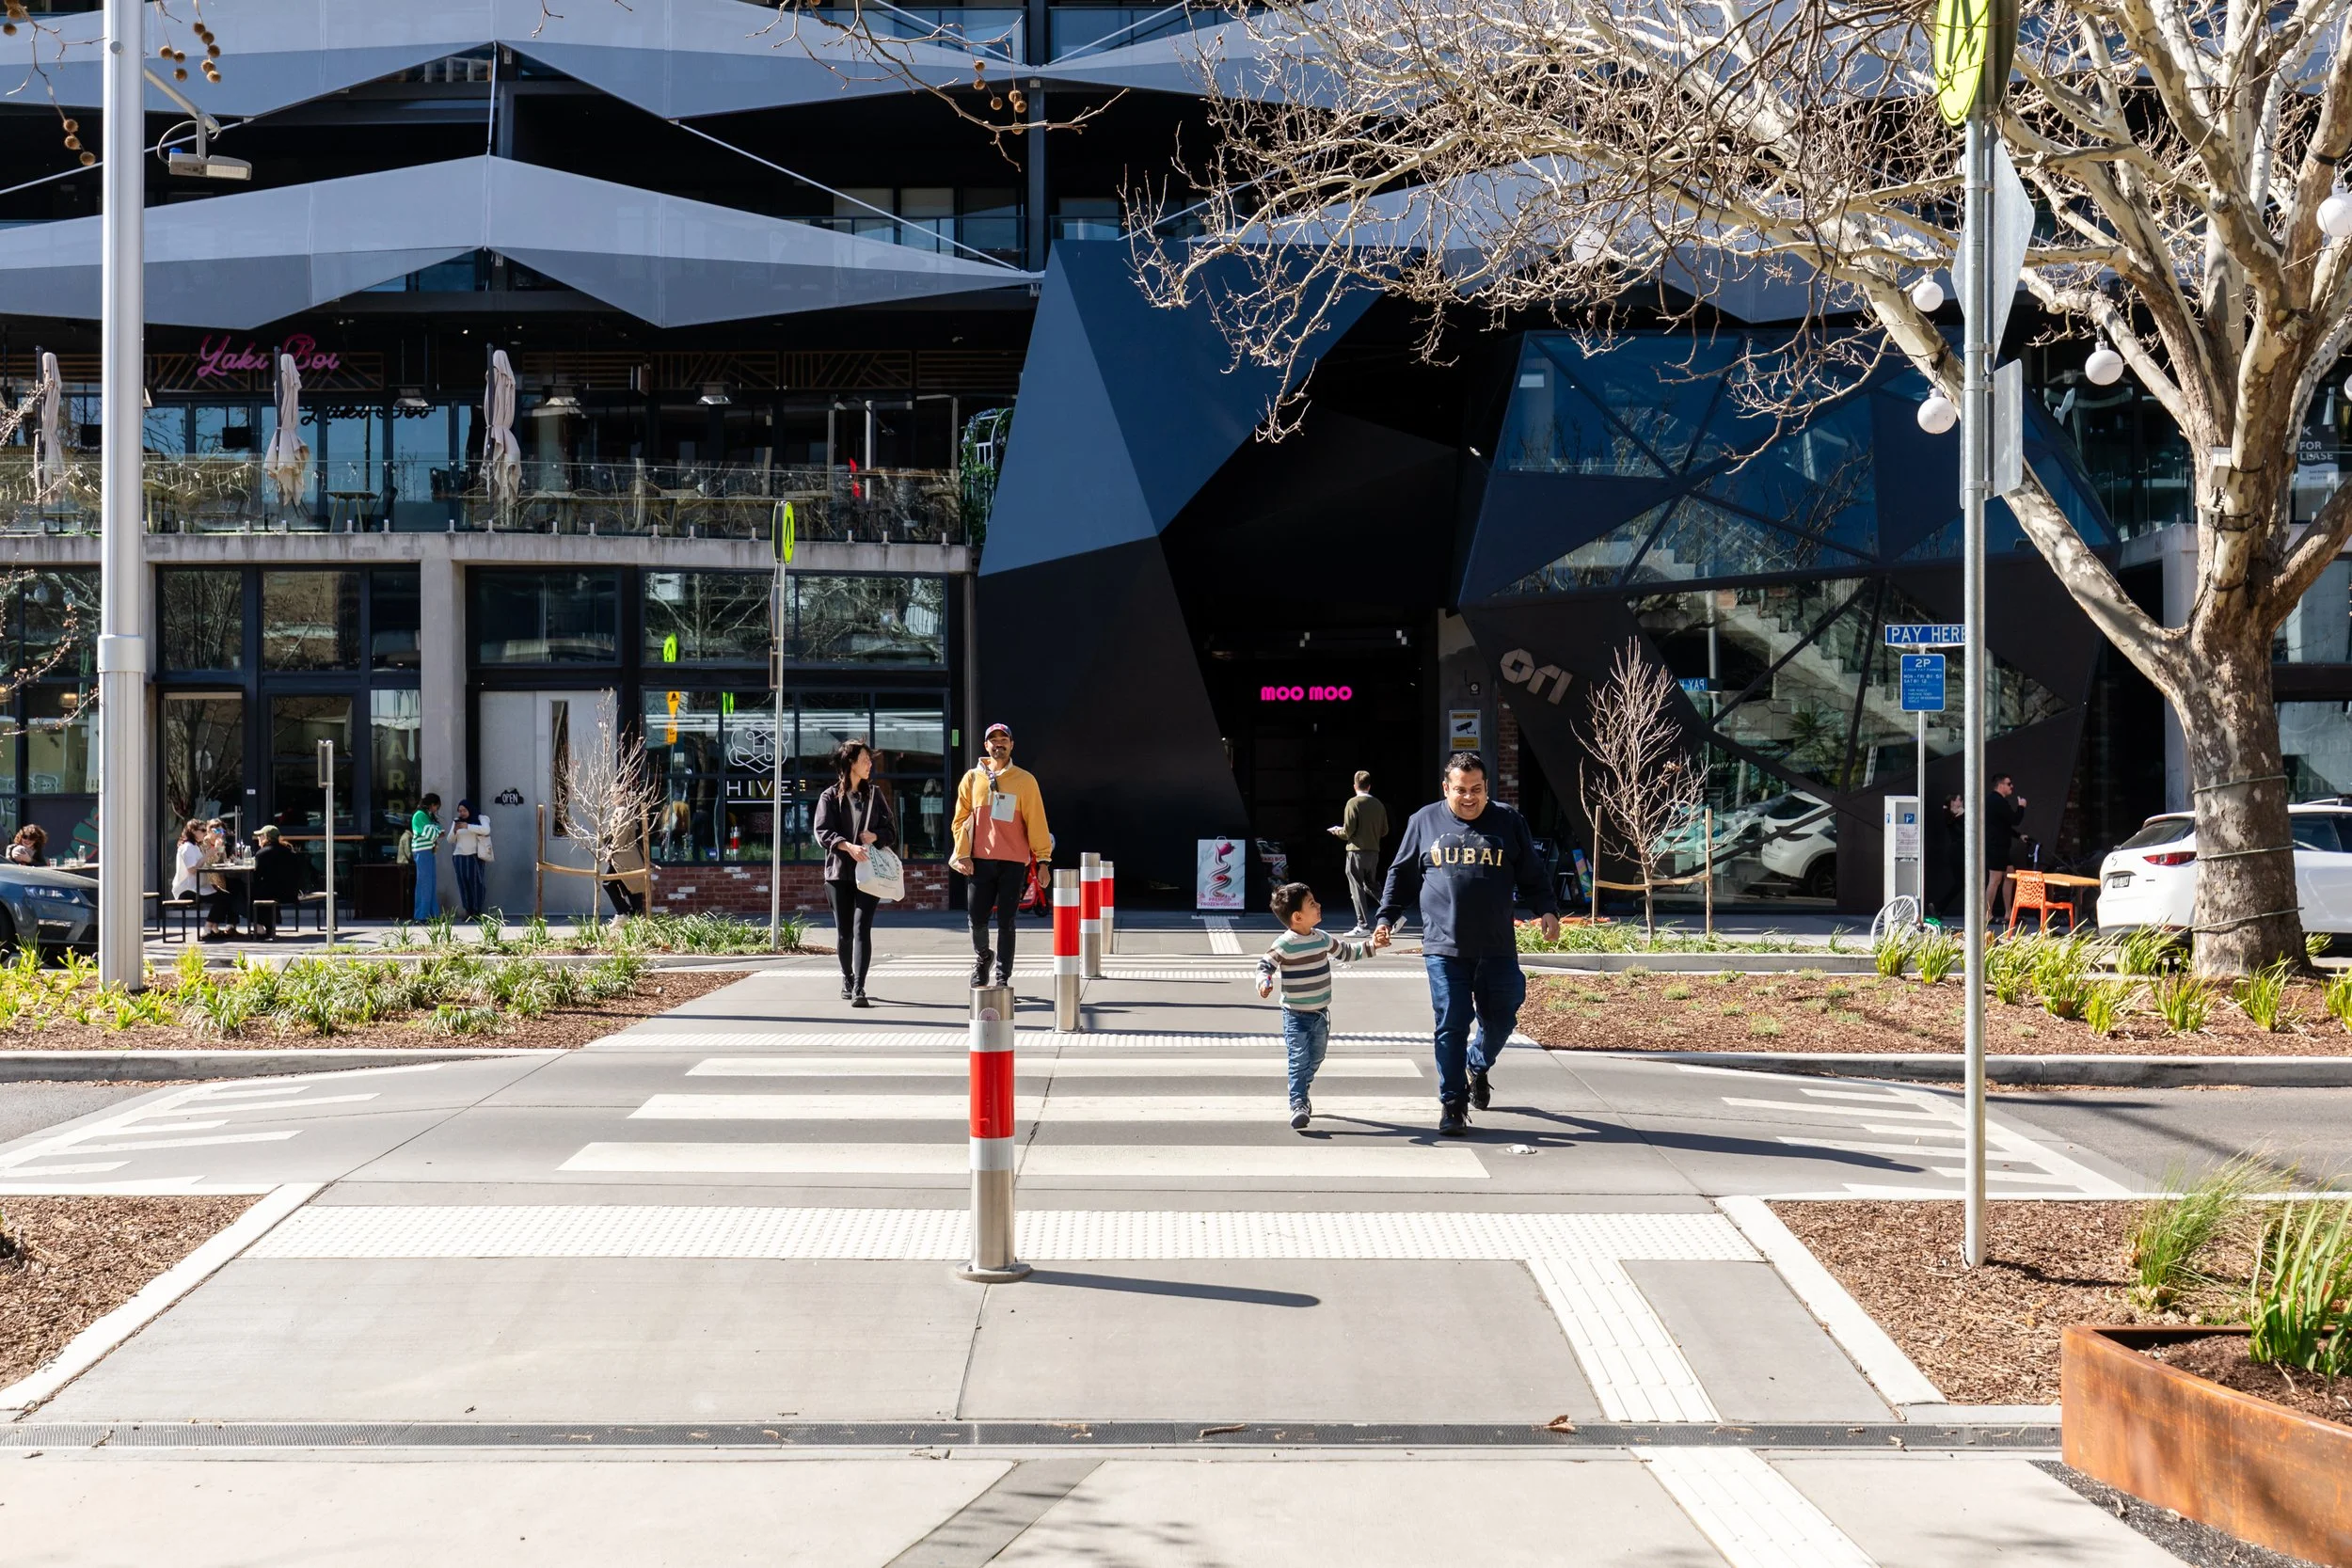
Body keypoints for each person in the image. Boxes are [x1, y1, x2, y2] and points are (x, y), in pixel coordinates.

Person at [1375, 752, 1561, 1137]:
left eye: (1477, 789)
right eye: (1461, 790)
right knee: (1451, 1025)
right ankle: (1453, 1103)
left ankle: (1477, 1065)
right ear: (1447, 788)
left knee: (1503, 1018)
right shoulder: (1424, 821)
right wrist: (1385, 918)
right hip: (1444, 946)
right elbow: (1403, 873)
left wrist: (1546, 909)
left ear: (1486, 787)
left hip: (1496, 946)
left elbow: (1531, 872)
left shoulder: (1508, 821)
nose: (1469, 797)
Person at [1256, 881, 1387, 1131]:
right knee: (1298, 1059)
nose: (1319, 906)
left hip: (1320, 1014)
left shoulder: (1322, 938)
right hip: (1295, 1014)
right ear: (1297, 917)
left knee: (1316, 1057)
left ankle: (1303, 1087)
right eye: (1312, 904)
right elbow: (1264, 965)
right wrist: (1264, 981)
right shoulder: (1285, 943)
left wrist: (1374, 945)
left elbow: (1348, 952)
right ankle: (1297, 1103)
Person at [949, 722, 1052, 989]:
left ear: (1012, 744)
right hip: (979, 861)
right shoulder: (971, 779)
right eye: (993, 740)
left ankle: (1002, 977)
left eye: (1003, 739)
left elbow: (1037, 822)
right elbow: (960, 820)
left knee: (1007, 921)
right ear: (986, 746)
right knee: (976, 918)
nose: (998, 744)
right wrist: (962, 853)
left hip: (1013, 862)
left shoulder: (1025, 781)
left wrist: (1043, 861)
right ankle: (983, 958)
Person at [815, 738, 898, 1007]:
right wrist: (847, 845)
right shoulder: (829, 796)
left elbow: (892, 832)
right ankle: (847, 978)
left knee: (862, 928)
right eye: (865, 759)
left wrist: (875, 835)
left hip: (869, 873)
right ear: (851, 763)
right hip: (839, 873)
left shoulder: (874, 795)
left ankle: (860, 988)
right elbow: (822, 831)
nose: (869, 764)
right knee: (844, 933)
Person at [1327, 770, 1390, 936]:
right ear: (1369, 786)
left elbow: (1348, 831)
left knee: (1356, 888)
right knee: (1371, 884)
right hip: (1374, 851)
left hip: (1356, 851)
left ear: (1355, 786)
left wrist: (1337, 832)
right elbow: (1384, 830)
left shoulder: (1353, 803)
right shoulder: (1378, 804)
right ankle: (1393, 913)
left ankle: (1362, 925)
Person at [172, 818, 236, 940]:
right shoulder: (187, 847)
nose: (204, 833)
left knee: (226, 896)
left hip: (198, 885)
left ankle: (212, 928)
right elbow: (192, 870)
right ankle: (207, 930)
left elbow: (202, 866)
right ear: (193, 831)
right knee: (222, 898)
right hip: (187, 889)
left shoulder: (195, 846)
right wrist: (208, 855)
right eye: (202, 830)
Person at [1983, 774, 2028, 928]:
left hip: (1999, 845)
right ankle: (1987, 914)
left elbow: (2003, 825)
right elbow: (2015, 820)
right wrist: (2021, 806)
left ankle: (2009, 912)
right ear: (2000, 785)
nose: (2011, 787)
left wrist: (2018, 835)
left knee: (2009, 875)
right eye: (2009, 784)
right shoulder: (1998, 801)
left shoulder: (1992, 801)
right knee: (1995, 879)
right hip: (1996, 846)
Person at [249, 825, 304, 940]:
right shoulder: (289, 851)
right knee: (264, 889)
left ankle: (260, 926)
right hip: (290, 892)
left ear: (266, 837)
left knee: (248, 892)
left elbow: (257, 876)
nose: (258, 838)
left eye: (260, 836)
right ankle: (267, 927)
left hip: (275, 893)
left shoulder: (263, 853)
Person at [447, 800, 493, 919]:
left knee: (477, 884)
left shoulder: (481, 818)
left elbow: (486, 830)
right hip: (459, 856)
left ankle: (477, 910)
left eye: (464, 810)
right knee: (463, 884)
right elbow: (450, 840)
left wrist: (467, 826)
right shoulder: (457, 821)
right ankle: (468, 910)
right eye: (460, 811)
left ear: (470, 809)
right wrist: (455, 830)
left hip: (474, 856)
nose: (462, 813)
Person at [1927, 792, 1966, 921]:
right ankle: (1938, 906)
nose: (1962, 802)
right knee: (1961, 882)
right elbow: (1962, 831)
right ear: (1953, 802)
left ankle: (1939, 906)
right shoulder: (1951, 816)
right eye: (1960, 800)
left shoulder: (1958, 816)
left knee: (1961, 883)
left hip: (1960, 851)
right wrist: (1962, 815)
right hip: (1957, 852)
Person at [410, 793, 443, 922]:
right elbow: (432, 832)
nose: (437, 809)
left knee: (431, 882)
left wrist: (436, 830)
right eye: (436, 806)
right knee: (425, 883)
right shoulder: (420, 815)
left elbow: (436, 830)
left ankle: (431, 914)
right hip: (422, 851)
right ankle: (421, 915)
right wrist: (437, 830)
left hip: (428, 851)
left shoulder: (426, 815)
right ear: (432, 804)